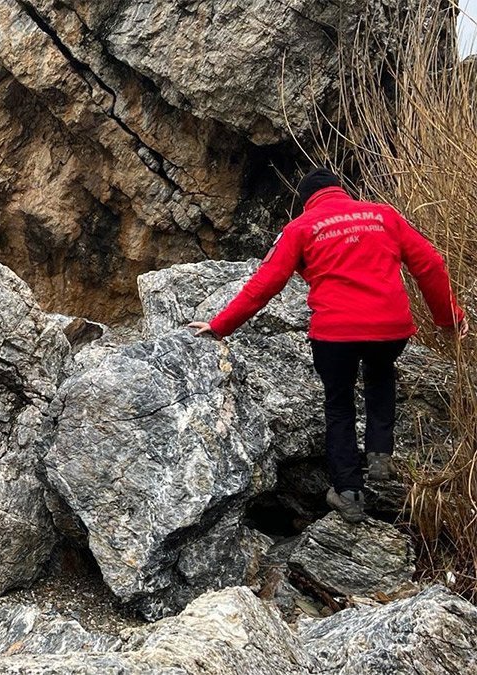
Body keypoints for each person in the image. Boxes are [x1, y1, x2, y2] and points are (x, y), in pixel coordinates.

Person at [189, 168, 467, 523]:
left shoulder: (301, 227)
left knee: (339, 405)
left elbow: (266, 282)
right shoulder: (383, 215)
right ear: (341, 191)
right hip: (391, 328)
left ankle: (348, 493)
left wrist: (220, 325)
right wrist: (449, 319)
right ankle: (380, 455)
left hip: (336, 333)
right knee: (381, 374)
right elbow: (430, 264)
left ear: (306, 201)